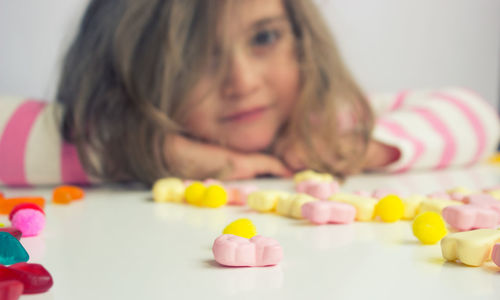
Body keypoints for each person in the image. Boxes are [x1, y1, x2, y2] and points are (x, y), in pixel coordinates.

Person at [0, 0, 498, 187]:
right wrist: (154, 153)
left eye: (264, 37)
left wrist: (358, 148)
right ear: (127, 73)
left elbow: (475, 116)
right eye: (196, 57)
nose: (242, 82)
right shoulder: (100, 138)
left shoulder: (327, 120)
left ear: (303, 41)